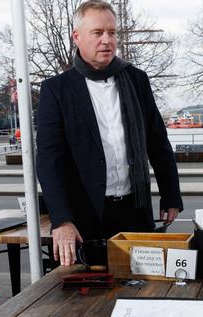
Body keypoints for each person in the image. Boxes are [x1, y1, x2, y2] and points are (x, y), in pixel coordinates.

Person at [36, 0, 183, 266]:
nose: (107, 40)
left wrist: (171, 193)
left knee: (142, 289)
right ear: (77, 37)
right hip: (86, 216)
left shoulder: (137, 79)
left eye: (112, 32)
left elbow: (158, 141)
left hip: (135, 209)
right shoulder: (56, 90)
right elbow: (49, 160)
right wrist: (62, 220)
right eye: (98, 33)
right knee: (87, 300)